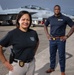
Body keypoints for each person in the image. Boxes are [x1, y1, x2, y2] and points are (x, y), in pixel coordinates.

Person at [0, 11, 39, 75]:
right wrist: (5, 62)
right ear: (18, 20)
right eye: (23, 19)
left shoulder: (33, 33)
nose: (26, 22)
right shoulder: (12, 34)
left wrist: (33, 53)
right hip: (18, 66)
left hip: (31, 64)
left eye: (28, 20)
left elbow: (37, 42)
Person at [44, 5, 74, 75]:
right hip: (52, 40)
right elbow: (45, 25)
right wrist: (47, 35)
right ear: (54, 10)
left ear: (60, 10)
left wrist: (67, 36)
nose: (56, 10)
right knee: (52, 55)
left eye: (58, 9)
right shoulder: (50, 18)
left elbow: (73, 26)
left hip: (61, 40)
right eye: (55, 9)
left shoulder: (65, 18)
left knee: (61, 56)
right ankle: (51, 68)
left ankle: (62, 71)